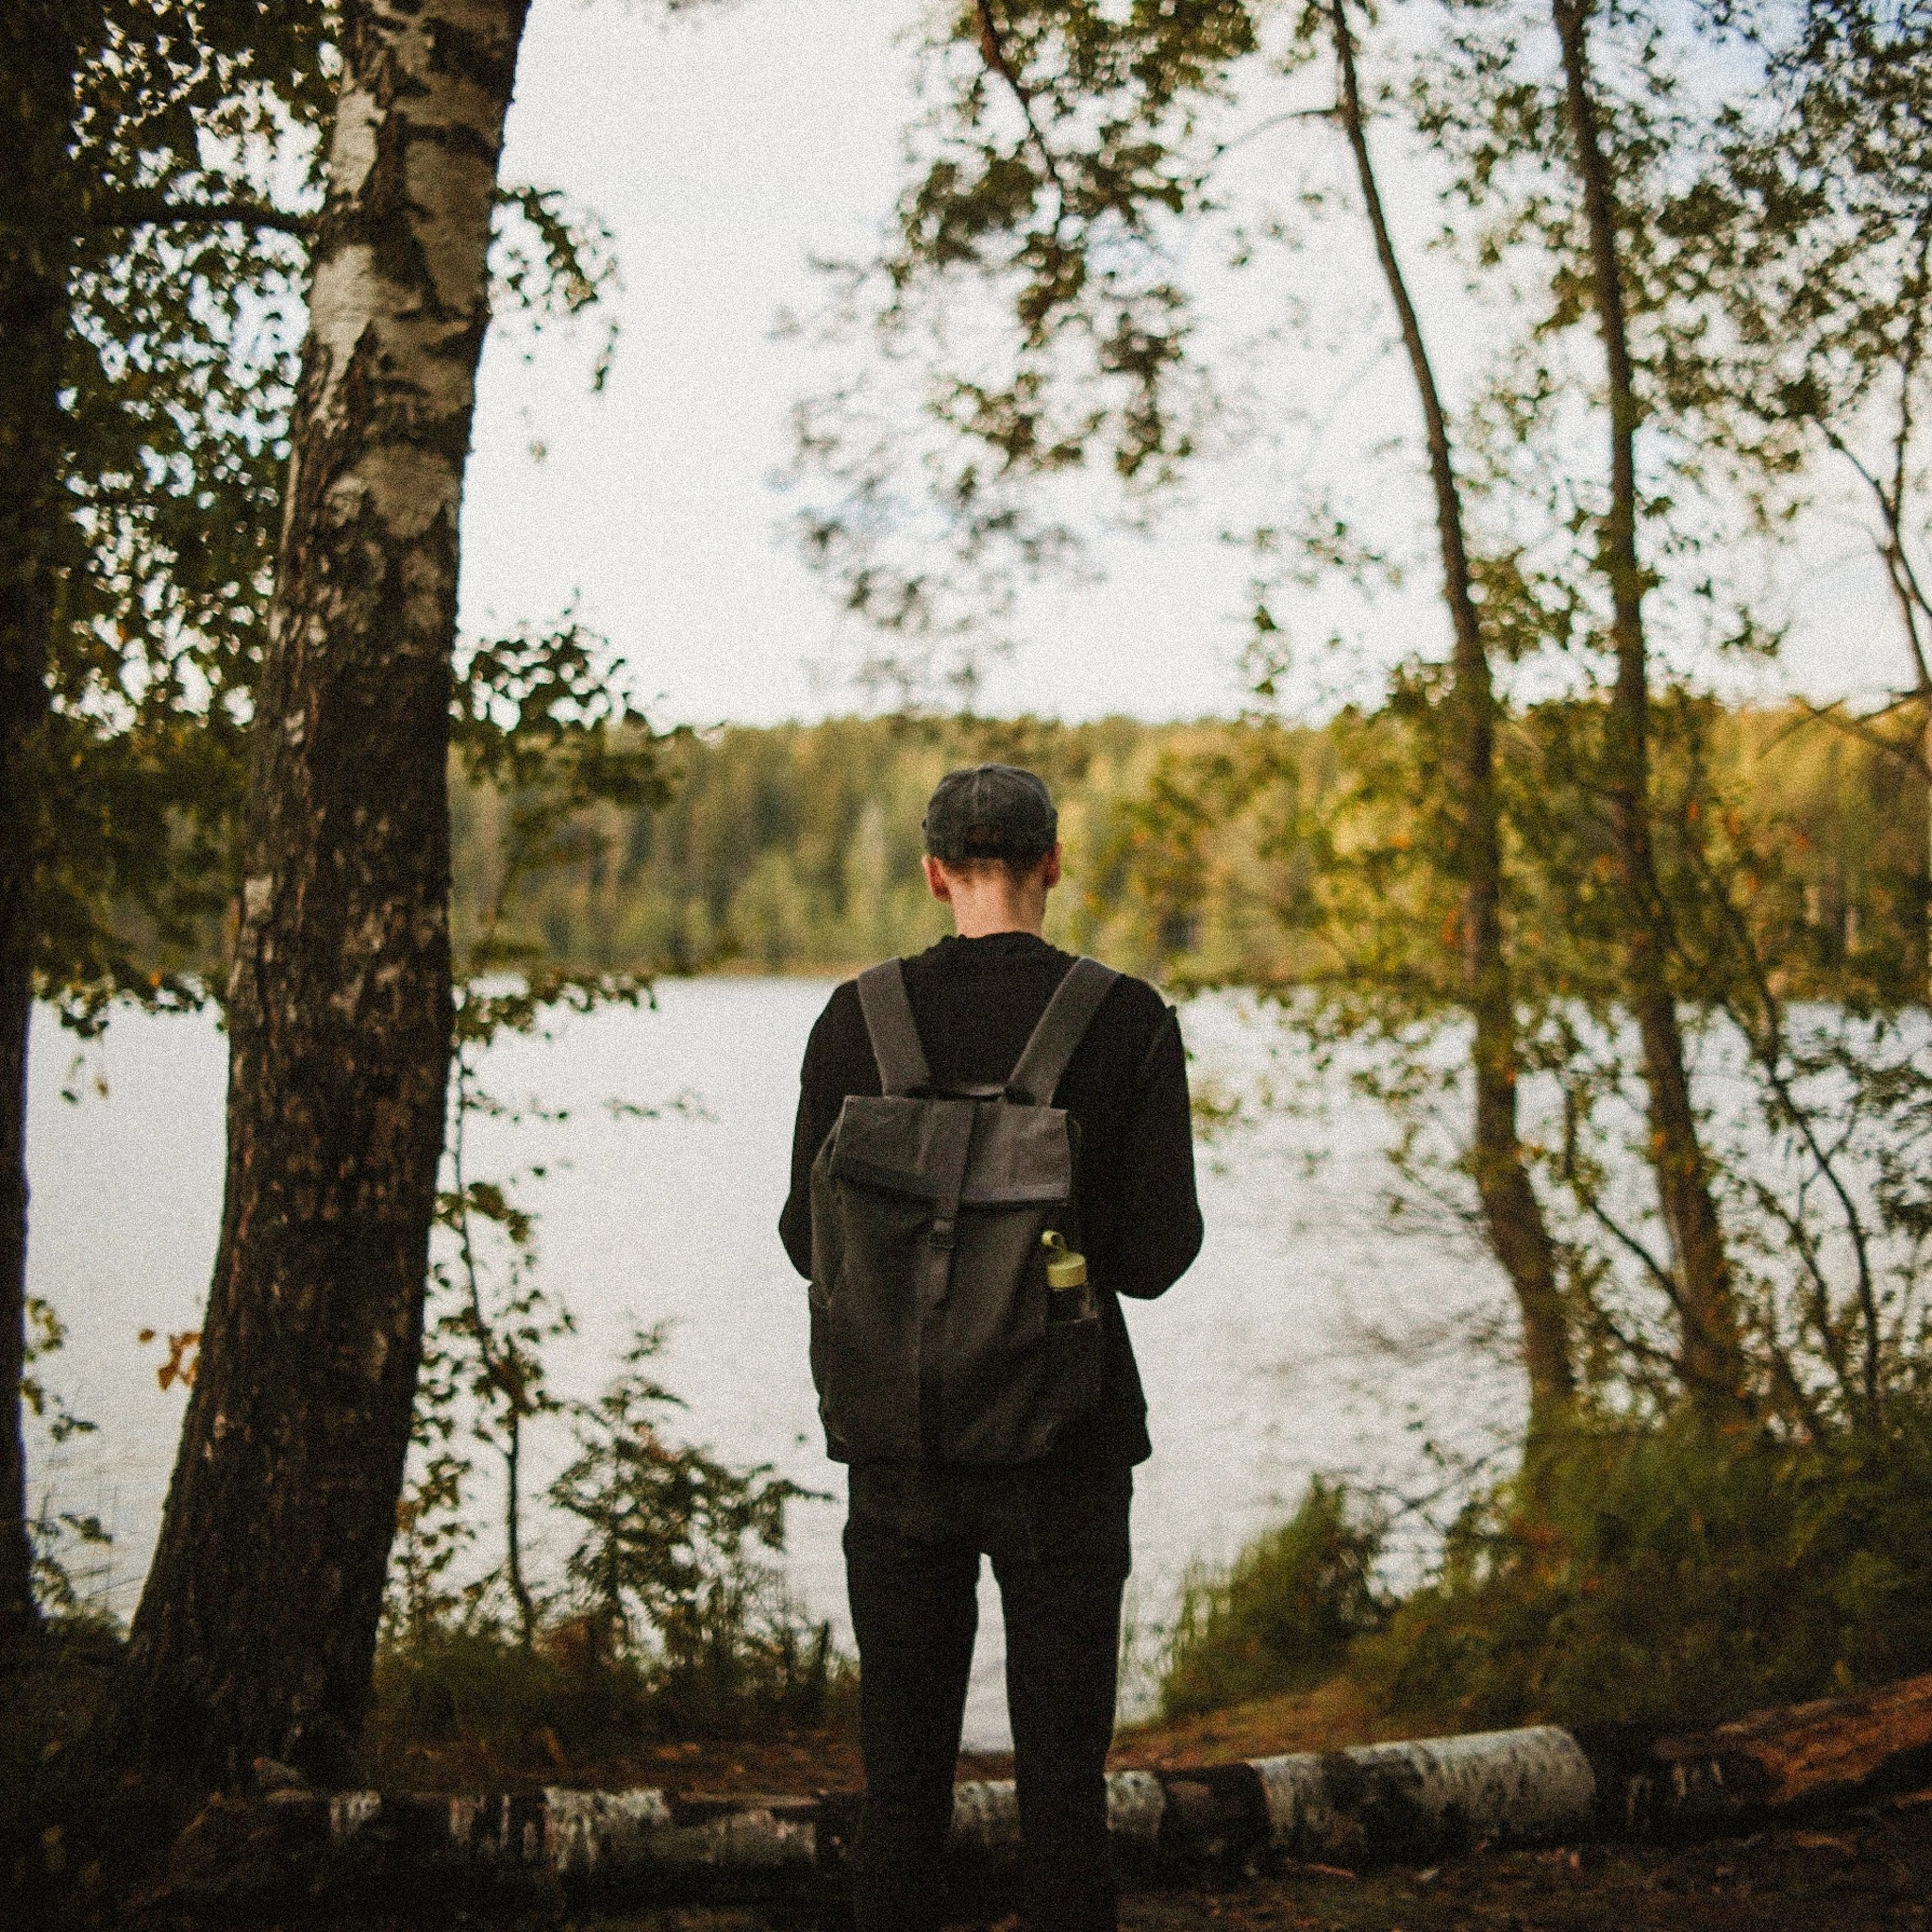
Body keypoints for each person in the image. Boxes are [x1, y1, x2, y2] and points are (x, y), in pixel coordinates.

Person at [779, 763, 1203, 1932]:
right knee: (1063, 1783)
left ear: (932, 873)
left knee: (901, 1779)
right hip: (1065, 1448)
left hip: (899, 1450)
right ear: (1052, 864)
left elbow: (800, 1241)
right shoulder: (1123, 1019)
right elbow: (1160, 1255)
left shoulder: (855, 1017)